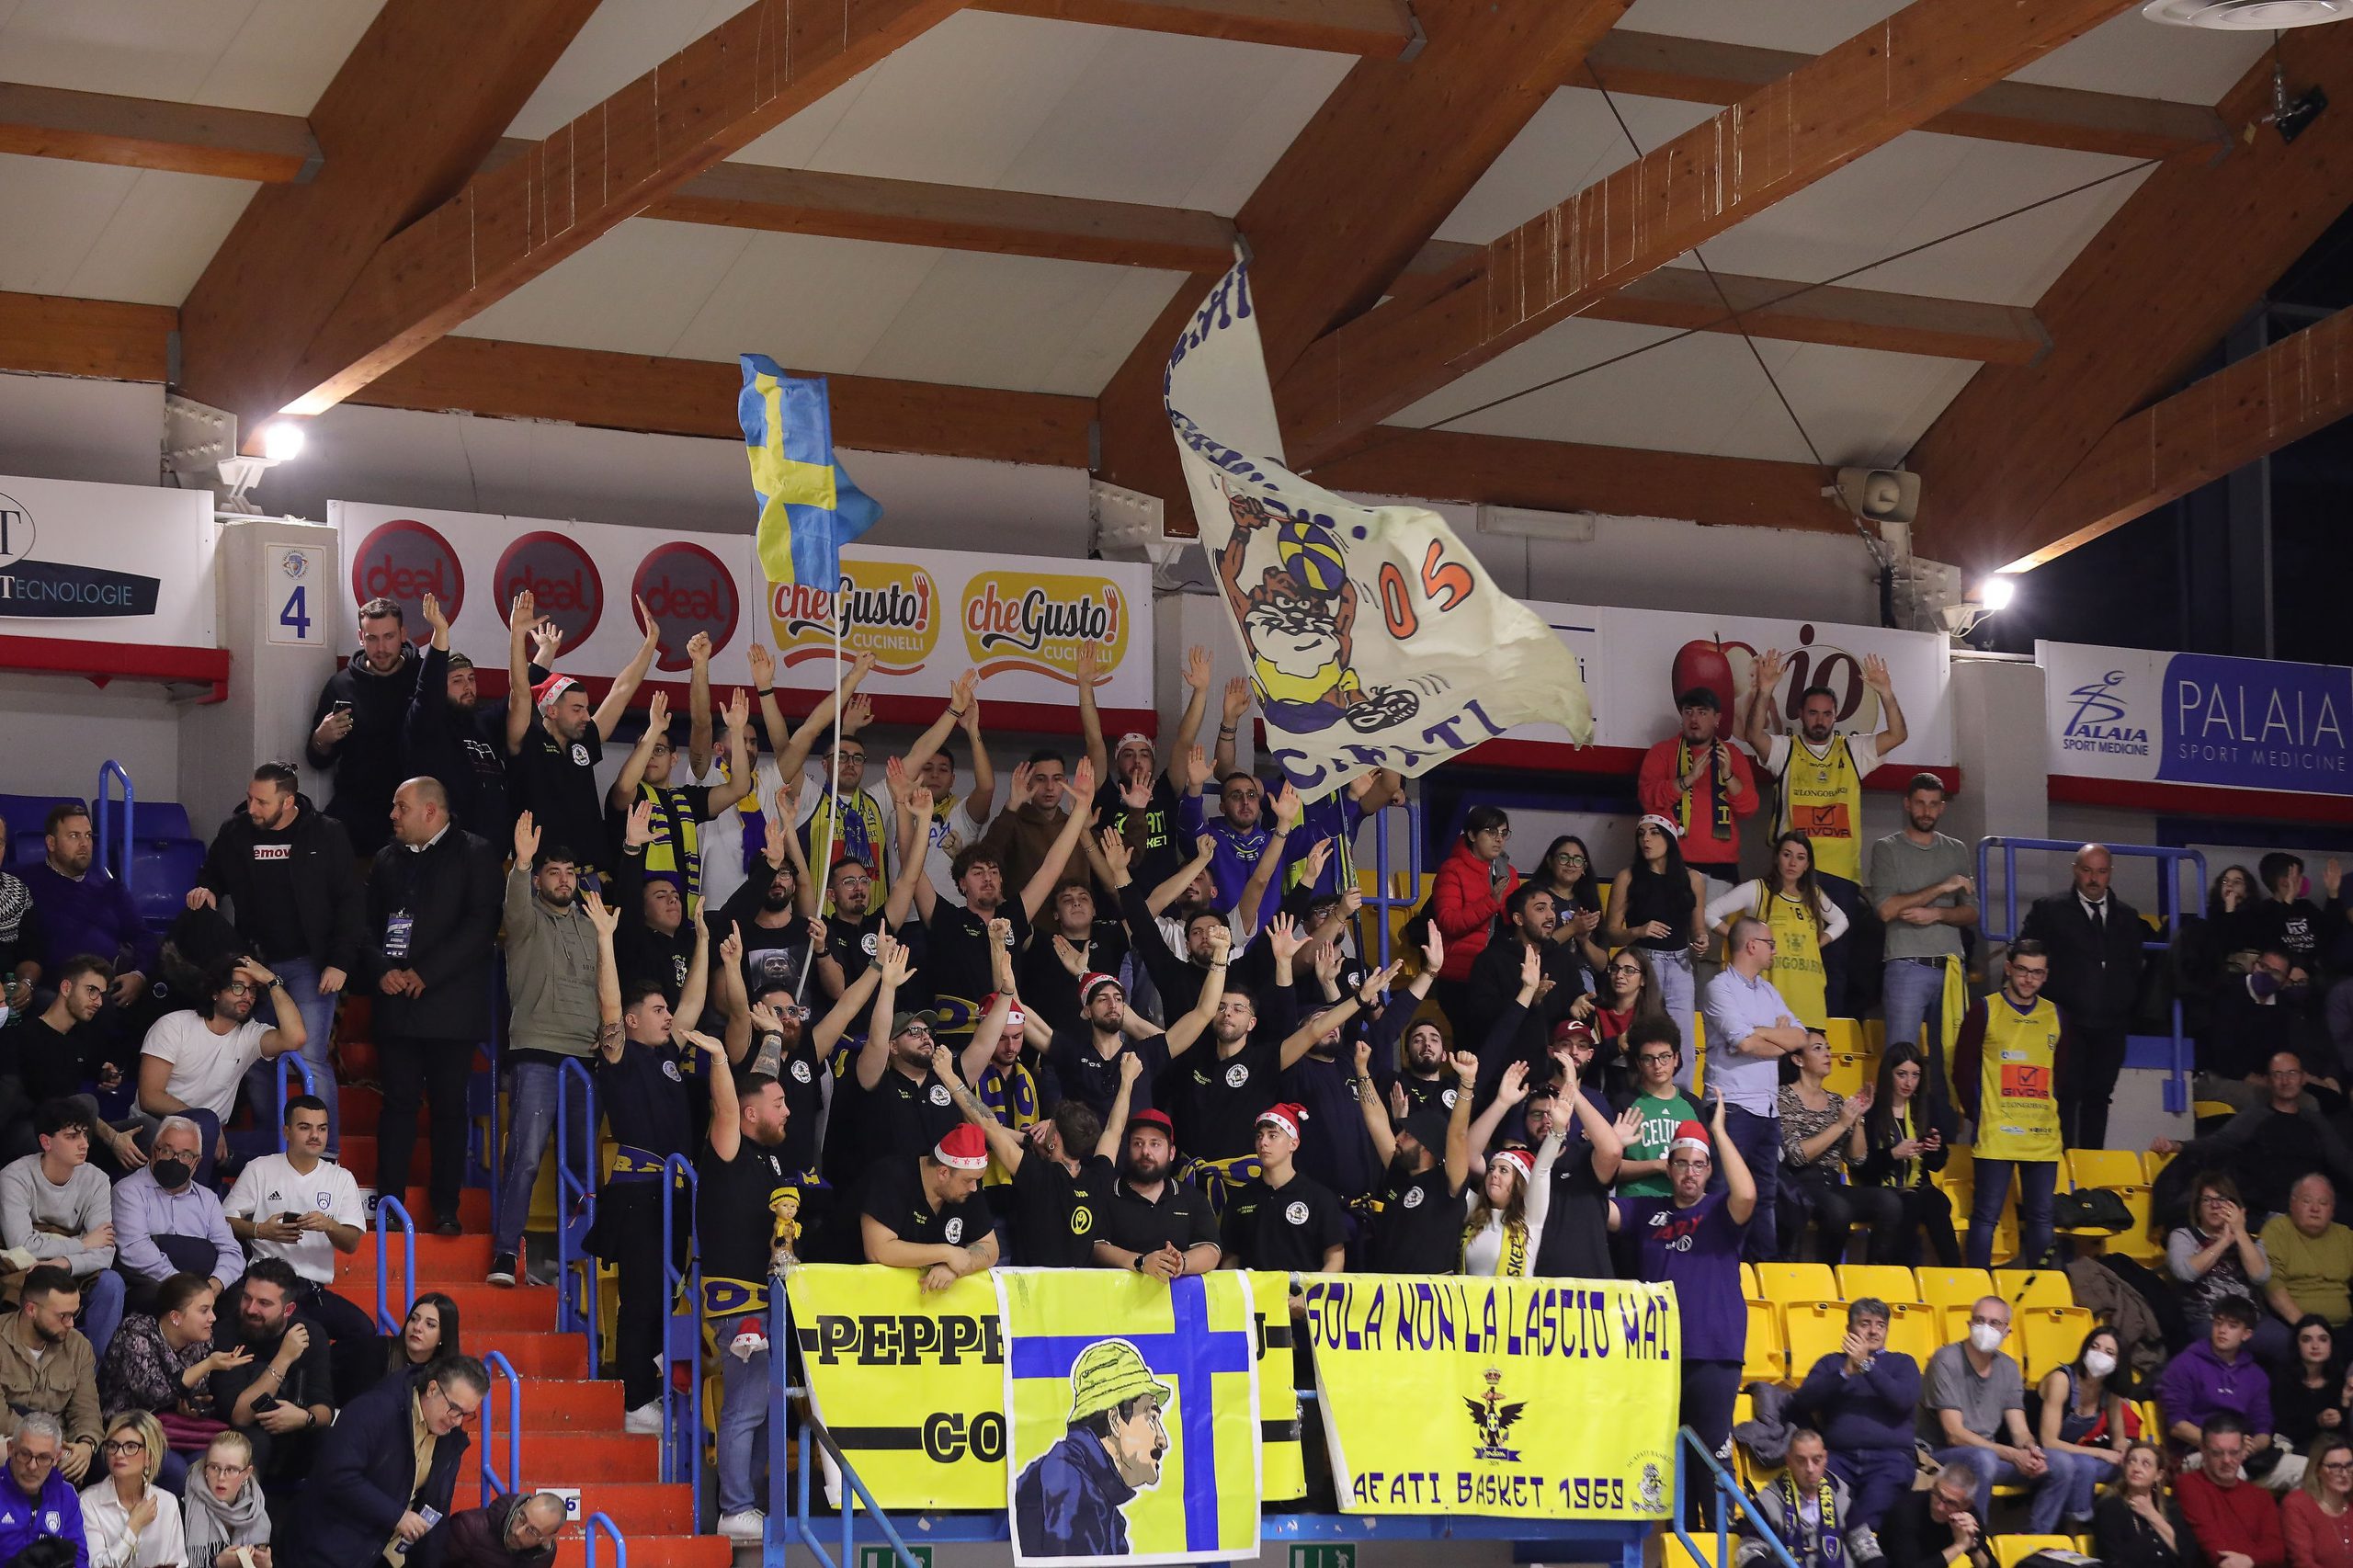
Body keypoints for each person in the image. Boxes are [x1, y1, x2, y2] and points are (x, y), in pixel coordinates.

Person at [580, 890, 715, 1432]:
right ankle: (635, 1397)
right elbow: (611, 1005)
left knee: (669, 1293)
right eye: (656, 1010)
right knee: (642, 1295)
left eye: (665, 1009)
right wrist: (607, 941)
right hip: (638, 1195)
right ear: (632, 1022)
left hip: (679, 1192)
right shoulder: (619, 1053)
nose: (667, 1016)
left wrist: (703, 941)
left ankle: (650, 1385)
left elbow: (694, 1005)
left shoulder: (666, 1057)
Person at [186, 764, 361, 1150]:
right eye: (250, 797)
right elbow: (211, 873)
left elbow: (351, 900)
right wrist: (207, 891)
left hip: (310, 962)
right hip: (254, 962)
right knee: (259, 1058)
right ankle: (273, 1148)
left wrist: (340, 961)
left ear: (289, 801)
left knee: (310, 1055)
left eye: (262, 802)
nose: (252, 807)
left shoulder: (326, 833)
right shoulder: (236, 832)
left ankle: (324, 1154)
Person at [363, 778, 503, 1237]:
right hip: (396, 1006)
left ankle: (446, 1208)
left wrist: (428, 973)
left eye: (400, 807)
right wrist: (382, 967)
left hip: (450, 1008)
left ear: (430, 811)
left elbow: (481, 925)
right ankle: (389, 1203)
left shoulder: (477, 853)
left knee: (448, 1110)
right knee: (397, 1106)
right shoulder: (386, 859)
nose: (392, 815)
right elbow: (365, 927)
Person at [1741, 655, 1908, 1017]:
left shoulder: (1853, 749)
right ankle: (1778, 1027)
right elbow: (1754, 735)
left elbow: (1898, 735)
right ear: (1802, 714)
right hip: (1793, 876)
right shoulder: (1786, 750)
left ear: (1836, 716)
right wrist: (1765, 690)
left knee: (1835, 963)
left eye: (1827, 713)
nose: (1820, 720)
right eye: (1813, 713)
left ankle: (1825, 1036)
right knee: (1784, 956)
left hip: (1841, 876)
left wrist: (1886, 694)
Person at [1610, 1094, 1755, 1490]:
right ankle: (1676, 1544)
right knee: (1664, 1458)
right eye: (1681, 1164)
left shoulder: (1721, 1211)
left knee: (1710, 1462)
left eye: (1698, 1165)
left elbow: (1748, 1195)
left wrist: (1719, 1132)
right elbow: (1594, 1210)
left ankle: (1714, 1546)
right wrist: (1610, 1151)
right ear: (1668, 1168)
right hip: (1660, 1355)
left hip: (1713, 1354)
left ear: (1709, 1170)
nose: (1689, 1173)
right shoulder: (1644, 1211)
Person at [490, 812, 601, 1288]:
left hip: (587, 1058)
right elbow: (513, 908)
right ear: (539, 879)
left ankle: (572, 1259)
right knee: (527, 1157)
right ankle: (502, 1253)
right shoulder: (525, 917)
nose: (563, 880)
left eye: (570, 873)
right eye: (553, 872)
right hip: (536, 1052)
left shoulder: (593, 922)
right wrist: (521, 863)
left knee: (583, 1166)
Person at [502, 588, 661, 891]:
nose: (587, 716)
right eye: (577, 709)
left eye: (586, 708)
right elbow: (520, 693)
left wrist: (650, 644)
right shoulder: (526, 739)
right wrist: (516, 635)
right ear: (551, 710)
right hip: (542, 879)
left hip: (591, 880)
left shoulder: (582, 741)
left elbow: (621, 691)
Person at [696, 1060, 794, 1543]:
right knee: (744, 1409)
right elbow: (726, 1104)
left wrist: (771, 1035)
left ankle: (748, 1506)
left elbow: (759, 1079)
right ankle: (734, 1508)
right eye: (778, 1105)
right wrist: (717, 1056)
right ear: (748, 1113)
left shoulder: (768, 1157)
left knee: (765, 1411)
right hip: (740, 1306)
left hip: (769, 1302)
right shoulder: (728, 1146)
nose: (788, 1111)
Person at [937, 1045, 1132, 1268]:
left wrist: (948, 1076)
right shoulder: (1099, 1178)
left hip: (1032, 1294)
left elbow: (989, 1125)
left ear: (1055, 1139)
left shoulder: (1037, 1174)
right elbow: (1114, 1131)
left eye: (1051, 1124)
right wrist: (1127, 1082)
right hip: (1076, 1294)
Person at [222, 1096, 369, 1392]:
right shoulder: (260, 1168)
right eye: (305, 1127)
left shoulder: (340, 1178)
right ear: (287, 1131)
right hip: (268, 1282)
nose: (315, 1135)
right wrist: (261, 1230)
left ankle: (327, 1394)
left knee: (364, 1332)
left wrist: (328, 1225)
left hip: (313, 1288)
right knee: (309, 1335)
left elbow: (352, 1242)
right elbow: (223, 1220)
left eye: (322, 1128)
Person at [284, 1355, 483, 1568]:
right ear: (432, 1389)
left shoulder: (450, 1440)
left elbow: (437, 1512)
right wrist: (396, 1515)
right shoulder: (376, 1409)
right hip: (328, 1548)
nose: (458, 1421)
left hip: (385, 1556)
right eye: (454, 1408)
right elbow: (336, 1475)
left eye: (466, 1414)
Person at [1921, 1293, 2097, 1531]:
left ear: (2007, 1332)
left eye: (1995, 1323)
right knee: (1983, 1460)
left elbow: (2019, 1429)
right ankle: (1975, 1539)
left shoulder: (2008, 1366)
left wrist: (2030, 1450)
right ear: (1969, 1324)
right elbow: (1954, 1434)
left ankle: (2035, 1542)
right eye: (1979, 1320)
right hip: (1940, 1455)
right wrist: (2012, 1455)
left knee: (2061, 1464)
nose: (1986, 1327)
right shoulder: (1946, 1360)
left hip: (1989, 1456)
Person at [2017, 844, 2145, 1151]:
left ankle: (2090, 1168)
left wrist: (2124, 1000)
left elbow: (2135, 965)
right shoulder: (2049, 909)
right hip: (2065, 1021)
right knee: (2065, 1093)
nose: (2093, 879)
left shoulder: (2127, 916)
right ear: (2075, 869)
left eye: (2101, 872)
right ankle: (2057, 1167)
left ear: (2110, 873)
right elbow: (2026, 953)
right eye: (2087, 870)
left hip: (2112, 1024)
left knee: (2099, 1097)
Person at [137, 954, 306, 1185]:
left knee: (289, 1143)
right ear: (215, 992)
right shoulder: (173, 1026)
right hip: (158, 1128)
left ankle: (251, 1217)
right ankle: (199, 1207)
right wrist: (206, 1127)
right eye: (237, 987)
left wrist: (270, 981)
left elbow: (295, 1038)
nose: (247, 995)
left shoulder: (250, 1034)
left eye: (252, 989)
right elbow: (150, 1098)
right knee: (206, 1121)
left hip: (213, 1139)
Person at [1950, 938, 2067, 1268]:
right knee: (1986, 1217)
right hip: (1997, 1132)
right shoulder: (1985, 1009)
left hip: (2042, 1135)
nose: (2029, 979)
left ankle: (2041, 1292)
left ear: (2046, 976)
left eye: (2037, 973)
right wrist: (1980, 1113)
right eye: (2023, 971)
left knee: (2042, 1218)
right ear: (2008, 968)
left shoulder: (2055, 1014)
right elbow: (1962, 1070)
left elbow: (2062, 1075)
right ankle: (1976, 1287)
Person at [1701, 915, 1811, 1260]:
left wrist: (1759, 1031)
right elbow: (1745, 1044)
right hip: (1731, 1106)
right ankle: (1718, 1261)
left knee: (1765, 1195)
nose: (1775, 950)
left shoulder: (1768, 990)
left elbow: (1801, 1039)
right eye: (1770, 943)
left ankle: (1763, 1270)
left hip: (1767, 1108)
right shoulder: (1719, 987)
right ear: (1751, 945)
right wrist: (1773, 1036)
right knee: (1724, 1190)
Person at [1867, 775, 1976, 1088]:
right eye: (1920, 803)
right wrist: (1943, 886)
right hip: (1906, 965)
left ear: (1941, 808)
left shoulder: (1957, 850)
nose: (1926, 811)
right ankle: (1893, 1133)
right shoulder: (1887, 849)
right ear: (1907, 804)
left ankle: (1940, 1135)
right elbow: (1887, 909)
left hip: (1953, 967)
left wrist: (1937, 913)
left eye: (1933, 804)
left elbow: (1972, 911)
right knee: (1901, 1061)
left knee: (1953, 1061)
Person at [1, 1100, 126, 1361]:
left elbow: (104, 1251)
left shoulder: (98, 1180)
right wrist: (82, 1243)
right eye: (72, 1136)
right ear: (46, 1142)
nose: (84, 1144)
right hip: (27, 1268)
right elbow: (21, 1245)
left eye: (85, 1135)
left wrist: (63, 1263)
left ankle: (92, 1377)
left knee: (112, 1283)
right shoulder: (14, 1177)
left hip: (71, 1269)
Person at [2163, 1054, 2353, 1225]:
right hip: (2268, 1208)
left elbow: (2341, 1160)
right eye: (2278, 1074)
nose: (2285, 1080)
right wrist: (2177, 1146)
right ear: (2270, 1081)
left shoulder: (2314, 1120)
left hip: (2310, 1206)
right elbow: (2220, 1142)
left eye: (2292, 1073)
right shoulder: (2255, 1116)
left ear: (2303, 1078)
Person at [606, 687, 753, 904]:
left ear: (674, 759)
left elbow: (739, 788)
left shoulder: (686, 799)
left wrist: (738, 731)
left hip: (681, 915)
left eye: (659, 750)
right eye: (645, 750)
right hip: (635, 913)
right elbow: (626, 786)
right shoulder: (632, 795)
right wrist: (654, 729)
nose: (650, 757)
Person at [94, 1273, 238, 1493]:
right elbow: (156, 1392)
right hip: (125, 1431)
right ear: (176, 1317)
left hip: (173, 1430)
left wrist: (192, 1408)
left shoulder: (201, 1340)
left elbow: (199, 1392)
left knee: (213, 1466)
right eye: (204, 1310)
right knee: (177, 1471)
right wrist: (208, 1364)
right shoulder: (136, 1333)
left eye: (212, 1309)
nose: (213, 1318)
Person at [1788, 1298, 1923, 1530]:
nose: (1873, 1331)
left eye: (1880, 1325)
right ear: (1849, 1329)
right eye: (1865, 1323)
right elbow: (1802, 1401)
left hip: (1889, 1459)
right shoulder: (1832, 1363)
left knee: (1869, 1521)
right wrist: (1844, 1373)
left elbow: (1903, 1400)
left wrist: (1867, 1367)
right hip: (1838, 1458)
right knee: (1819, 1513)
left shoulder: (1902, 1362)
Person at [306, 597, 421, 857]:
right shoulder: (340, 685)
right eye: (372, 638)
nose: (381, 647)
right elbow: (317, 758)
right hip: (356, 816)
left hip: (414, 817)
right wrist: (321, 739)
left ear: (403, 634)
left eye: (389, 636)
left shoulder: (424, 678)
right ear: (361, 637)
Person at [1705, 833, 1848, 1029]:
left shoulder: (1814, 895)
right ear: (1776, 857)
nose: (1792, 863)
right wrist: (1741, 938)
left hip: (1810, 1002)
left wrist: (1820, 941)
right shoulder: (1758, 889)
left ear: (1807, 864)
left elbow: (1842, 921)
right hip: (1771, 1002)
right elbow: (1709, 913)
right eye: (1787, 854)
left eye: (1800, 857)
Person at [402, 590, 515, 839]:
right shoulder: (428, 724)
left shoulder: (483, 722)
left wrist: (544, 652)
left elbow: (520, 695)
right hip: (446, 852)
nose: (468, 687)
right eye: (457, 680)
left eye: (471, 679)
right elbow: (427, 690)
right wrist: (441, 634)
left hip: (491, 854)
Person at [16, 962, 147, 1175]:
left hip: (79, 1131)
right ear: (66, 988)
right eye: (91, 991)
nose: (97, 1002)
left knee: (147, 1129)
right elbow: (54, 1098)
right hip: (40, 1132)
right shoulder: (29, 1036)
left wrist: (105, 1073)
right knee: (86, 1102)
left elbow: (85, 1065)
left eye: (101, 995)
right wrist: (112, 1137)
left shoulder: (81, 1035)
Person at [210, 1260, 334, 1486]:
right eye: (247, 1297)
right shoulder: (225, 1333)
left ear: (288, 1309)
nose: (250, 1309)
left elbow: (324, 1406)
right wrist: (284, 1358)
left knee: (329, 1439)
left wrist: (305, 1419)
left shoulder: (310, 1334)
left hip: (295, 1439)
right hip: (245, 1440)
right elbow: (239, 1416)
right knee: (255, 1440)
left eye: (264, 1303)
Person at [1779, 1032, 1895, 1263]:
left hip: (1832, 1182)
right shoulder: (1784, 1097)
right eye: (1818, 1048)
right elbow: (1796, 1155)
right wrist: (1841, 1124)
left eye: (1828, 1048)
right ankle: (1828, 1274)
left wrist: (1858, 1118)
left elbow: (1857, 1159)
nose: (1828, 1054)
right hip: (1801, 1183)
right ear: (1798, 1059)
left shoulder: (1836, 1101)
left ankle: (1873, 1276)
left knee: (1889, 1202)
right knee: (1838, 1210)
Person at [20, 806, 151, 1014]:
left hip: (106, 987)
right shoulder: (23, 882)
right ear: (51, 843)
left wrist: (139, 975)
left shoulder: (110, 888)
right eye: (74, 836)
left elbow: (143, 937)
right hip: (51, 989)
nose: (84, 844)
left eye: (88, 836)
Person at [1355, 1049, 1472, 1275]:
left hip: (1430, 1303)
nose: (1397, 1138)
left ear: (1427, 1146)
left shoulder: (1448, 1184)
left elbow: (1458, 1135)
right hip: (1386, 1297)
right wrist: (1361, 1069)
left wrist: (1467, 1082)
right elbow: (1376, 1119)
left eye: (1407, 1134)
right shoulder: (1398, 1174)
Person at [1608, 818, 1709, 1072]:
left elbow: (1697, 928)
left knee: (1682, 1036)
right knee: (1643, 1032)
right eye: (1641, 834)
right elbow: (1611, 933)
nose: (1646, 839)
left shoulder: (1692, 878)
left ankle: (1683, 1102)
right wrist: (1639, 930)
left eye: (1654, 833)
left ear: (1670, 839)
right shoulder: (1628, 877)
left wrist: (1701, 940)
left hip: (1681, 962)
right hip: (1643, 961)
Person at [111, 1119, 241, 1312]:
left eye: (186, 1155)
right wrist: (186, 1290)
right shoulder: (129, 1191)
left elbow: (232, 1251)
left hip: (203, 1284)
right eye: (167, 1151)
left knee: (242, 1300)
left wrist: (215, 1284)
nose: (175, 1160)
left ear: (197, 1162)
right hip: (156, 1284)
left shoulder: (208, 1198)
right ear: (154, 1151)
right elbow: (135, 1249)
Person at [1639, 686, 1757, 896]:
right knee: (1671, 929)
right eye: (1688, 711)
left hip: (1722, 866)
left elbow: (1749, 809)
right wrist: (1688, 779)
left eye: (1702, 712)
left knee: (1715, 929)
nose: (1694, 718)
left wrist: (1728, 776)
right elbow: (1648, 800)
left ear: (1717, 718)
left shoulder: (1731, 754)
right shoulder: (1662, 752)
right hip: (1672, 861)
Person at [2163, 1300, 2296, 1485]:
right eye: (2218, 1323)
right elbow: (2177, 1425)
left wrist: (2251, 1447)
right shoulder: (2185, 1363)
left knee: (2307, 1469)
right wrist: (2223, 1447)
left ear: (2247, 1334)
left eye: (2232, 1326)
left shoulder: (2256, 1375)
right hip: (2195, 1453)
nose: (2222, 1330)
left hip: (2245, 1456)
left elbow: (2263, 1429)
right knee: (2233, 1470)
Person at [1853, 1043, 1961, 1267]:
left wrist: (1935, 1148)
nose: (1908, 1083)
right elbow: (1862, 1167)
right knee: (1909, 1203)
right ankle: (1900, 1272)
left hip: (1919, 1187)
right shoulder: (1873, 1111)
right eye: (1901, 1074)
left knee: (1937, 1202)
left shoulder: (1926, 1106)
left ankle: (1956, 1272)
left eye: (1915, 1075)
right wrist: (1893, 1154)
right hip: (1882, 1188)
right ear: (1888, 1074)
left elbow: (1936, 1165)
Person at [858, 1124, 1001, 1285]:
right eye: (969, 1180)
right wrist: (946, 1253)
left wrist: (954, 1268)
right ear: (943, 1172)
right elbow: (878, 1250)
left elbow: (991, 1248)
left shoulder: (966, 1189)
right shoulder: (891, 1176)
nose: (974, 1188)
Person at [0, 1268, 102, 1485]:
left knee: (108, 1460)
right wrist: (47, 1447)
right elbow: (2, 1417)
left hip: (62, 1446)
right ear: (31, 1309)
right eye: (62, 1316)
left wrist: (86, 1445)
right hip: (14, 1441)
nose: (71, 1323)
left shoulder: (78, 1346)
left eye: (75, 1314)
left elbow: (86, 1410)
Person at [2171, 1172, 2287, 1362]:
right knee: (2223, 1346)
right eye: (2207, 1200)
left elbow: (2260, 1276)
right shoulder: (2184, 1235)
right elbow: (2185, 1272)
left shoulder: (2249, 1240)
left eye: (2222, 1199)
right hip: (2207, 1319)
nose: (2215, 1206)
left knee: (2288, 1342)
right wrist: (2224, 1241)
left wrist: (2239, 1232)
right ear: (2198, 1208)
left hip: (2250, 1320)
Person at [1219, 1104, 1346, 1276]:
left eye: (1272, 1136)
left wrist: (1307, 1297)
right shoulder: (1240, 1198)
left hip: (1301, 1297)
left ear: (1293, 1144)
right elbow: (1231, 1258)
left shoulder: (1319, 1198)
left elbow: (1335, 1259)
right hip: (1253, 1298)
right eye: (1259, 1136)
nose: (1263, 1143)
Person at [1090, 1110, 1220, 1278]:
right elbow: (1095, 1247)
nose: (1146, 1151)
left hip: (1177, 1302)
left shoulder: (1192, 1198)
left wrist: (1180, 1262)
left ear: (1172, 1153)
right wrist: (1142, 1262)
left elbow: (1212, 1250)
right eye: (1138, 1143)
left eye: (1155, 1144)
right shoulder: (1106, 1193)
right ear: (1127, 1149)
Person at [1738, 1427, 1884, 1568]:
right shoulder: (1767, 1501)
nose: (1810, 1469)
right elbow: (1748, 1553)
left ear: (1825, 1458)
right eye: (1801, 1461)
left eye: (1816, 1460)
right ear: (1789, 1461)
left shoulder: (1842, 1494)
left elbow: (1866, 1545)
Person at [1427, 806, 1518, 1028]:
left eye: (1504, 833)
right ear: (1471, 835)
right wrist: (1491, 902)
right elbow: (1449, 922)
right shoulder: (1452, 869)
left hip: (1500, 975)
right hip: (1461, 974)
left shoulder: (1510, 873)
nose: (1499, 839)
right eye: (1491, 832)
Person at [2177, 1414, 2287, 1568]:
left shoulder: (2261, 1497)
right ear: (2203, 1450)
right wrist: (2258, 1558)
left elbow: (2277, 1551)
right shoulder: (2190, 1484)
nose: (2227, 1460)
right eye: (2217, 1453)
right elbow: (2215, 1548)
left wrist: (2249, 1560)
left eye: (2234, 1452)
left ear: (2244, 1451)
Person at [78, 1410, 182, 1568]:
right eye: (113, 1446)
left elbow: (179, 1564)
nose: (119, 1454)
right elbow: (96, 1566)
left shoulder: (168, 1503)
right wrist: (134, 1525)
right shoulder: (88, 1502)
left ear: (149, 1457)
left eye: (131, 1446)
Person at [2038, 1325, 2133, 1481]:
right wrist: (2101, 1453)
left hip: (2068, 1455)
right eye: (2094, 1347)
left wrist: (2125, 1453)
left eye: (2109, 1353)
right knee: (2084, 1466)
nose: (2099, 1354)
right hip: (2037, 1450)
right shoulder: (2061, 1380)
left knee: (2126, 1470)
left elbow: (2119, 1440)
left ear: (2118, 1363)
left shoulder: (2109, 1392)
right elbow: (2048, 1442)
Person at [0, 1413, 90, 1568]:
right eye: (25, 1454)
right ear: (10, 1449)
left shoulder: (66, 1496)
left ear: (56, 1458)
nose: (32, 1466)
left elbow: (79, 1559)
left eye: (43, 1457)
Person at [2096, 1440, 2200, 1568]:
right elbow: (2113, 1560)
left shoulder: (2170, 1505)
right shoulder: (2110, 1507)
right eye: (2131, 1461)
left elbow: (2189, 1556)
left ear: (2158, 1475)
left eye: (2146, 1464)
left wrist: (2152, 1515)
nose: (2136, 1468)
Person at [2267, 1176, 2353, 1331]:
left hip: (2344, 1328)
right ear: (2292, 1204)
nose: (2315, 1209)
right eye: (2307, 1201)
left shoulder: (2345, 1235)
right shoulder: (2277, 1230)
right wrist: (2307, 1327)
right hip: (2294, 1326)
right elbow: (2271, 1284)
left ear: (2332, 1209)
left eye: (2323, 1203)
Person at [1878, 1460, 1993, 1568]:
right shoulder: (1906, 1510)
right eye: (1938, 1495)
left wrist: (1973, 1546)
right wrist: (1959, 1546)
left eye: (1950, 1503)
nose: (1940, 1507)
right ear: (1934, 1486)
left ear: (1966, 1504)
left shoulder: (1968, 1517)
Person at [180, 1431, 269, 1568]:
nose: (221, 1477)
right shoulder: (183, 1510)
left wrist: (266, 1566)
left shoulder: (258, 1512)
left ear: (246, 1473)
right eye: (214, 1467)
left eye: (231, 1469)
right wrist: (216, 1564)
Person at [2274, 1316, 2347, 1464]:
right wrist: (2317, 1421)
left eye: (2323, 1339)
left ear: (2331, 1345)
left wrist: (2344, 1406)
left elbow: (2344, 1433)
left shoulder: (2340, 1380)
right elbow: (2281, 1428)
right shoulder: (2282, 1379)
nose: (2315, 1346)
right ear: (2297, 1345)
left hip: (2335, 1452)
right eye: (2307, 1340)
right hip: (2293, 1452)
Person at [438, 1492, 565, 1568]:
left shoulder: (543, 1554)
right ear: (522, 1505)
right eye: (521, 1517)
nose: (518, 1532)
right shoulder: (468, 1527)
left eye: (532, 1531)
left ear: (546, 1539)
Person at [2285, 1433, 2353, 1568]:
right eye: (2335, 1467)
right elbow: (2303, 1562)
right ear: (2317, 1470)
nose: (2344, 1474)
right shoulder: (2297, 1504)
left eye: (2349, 1465)